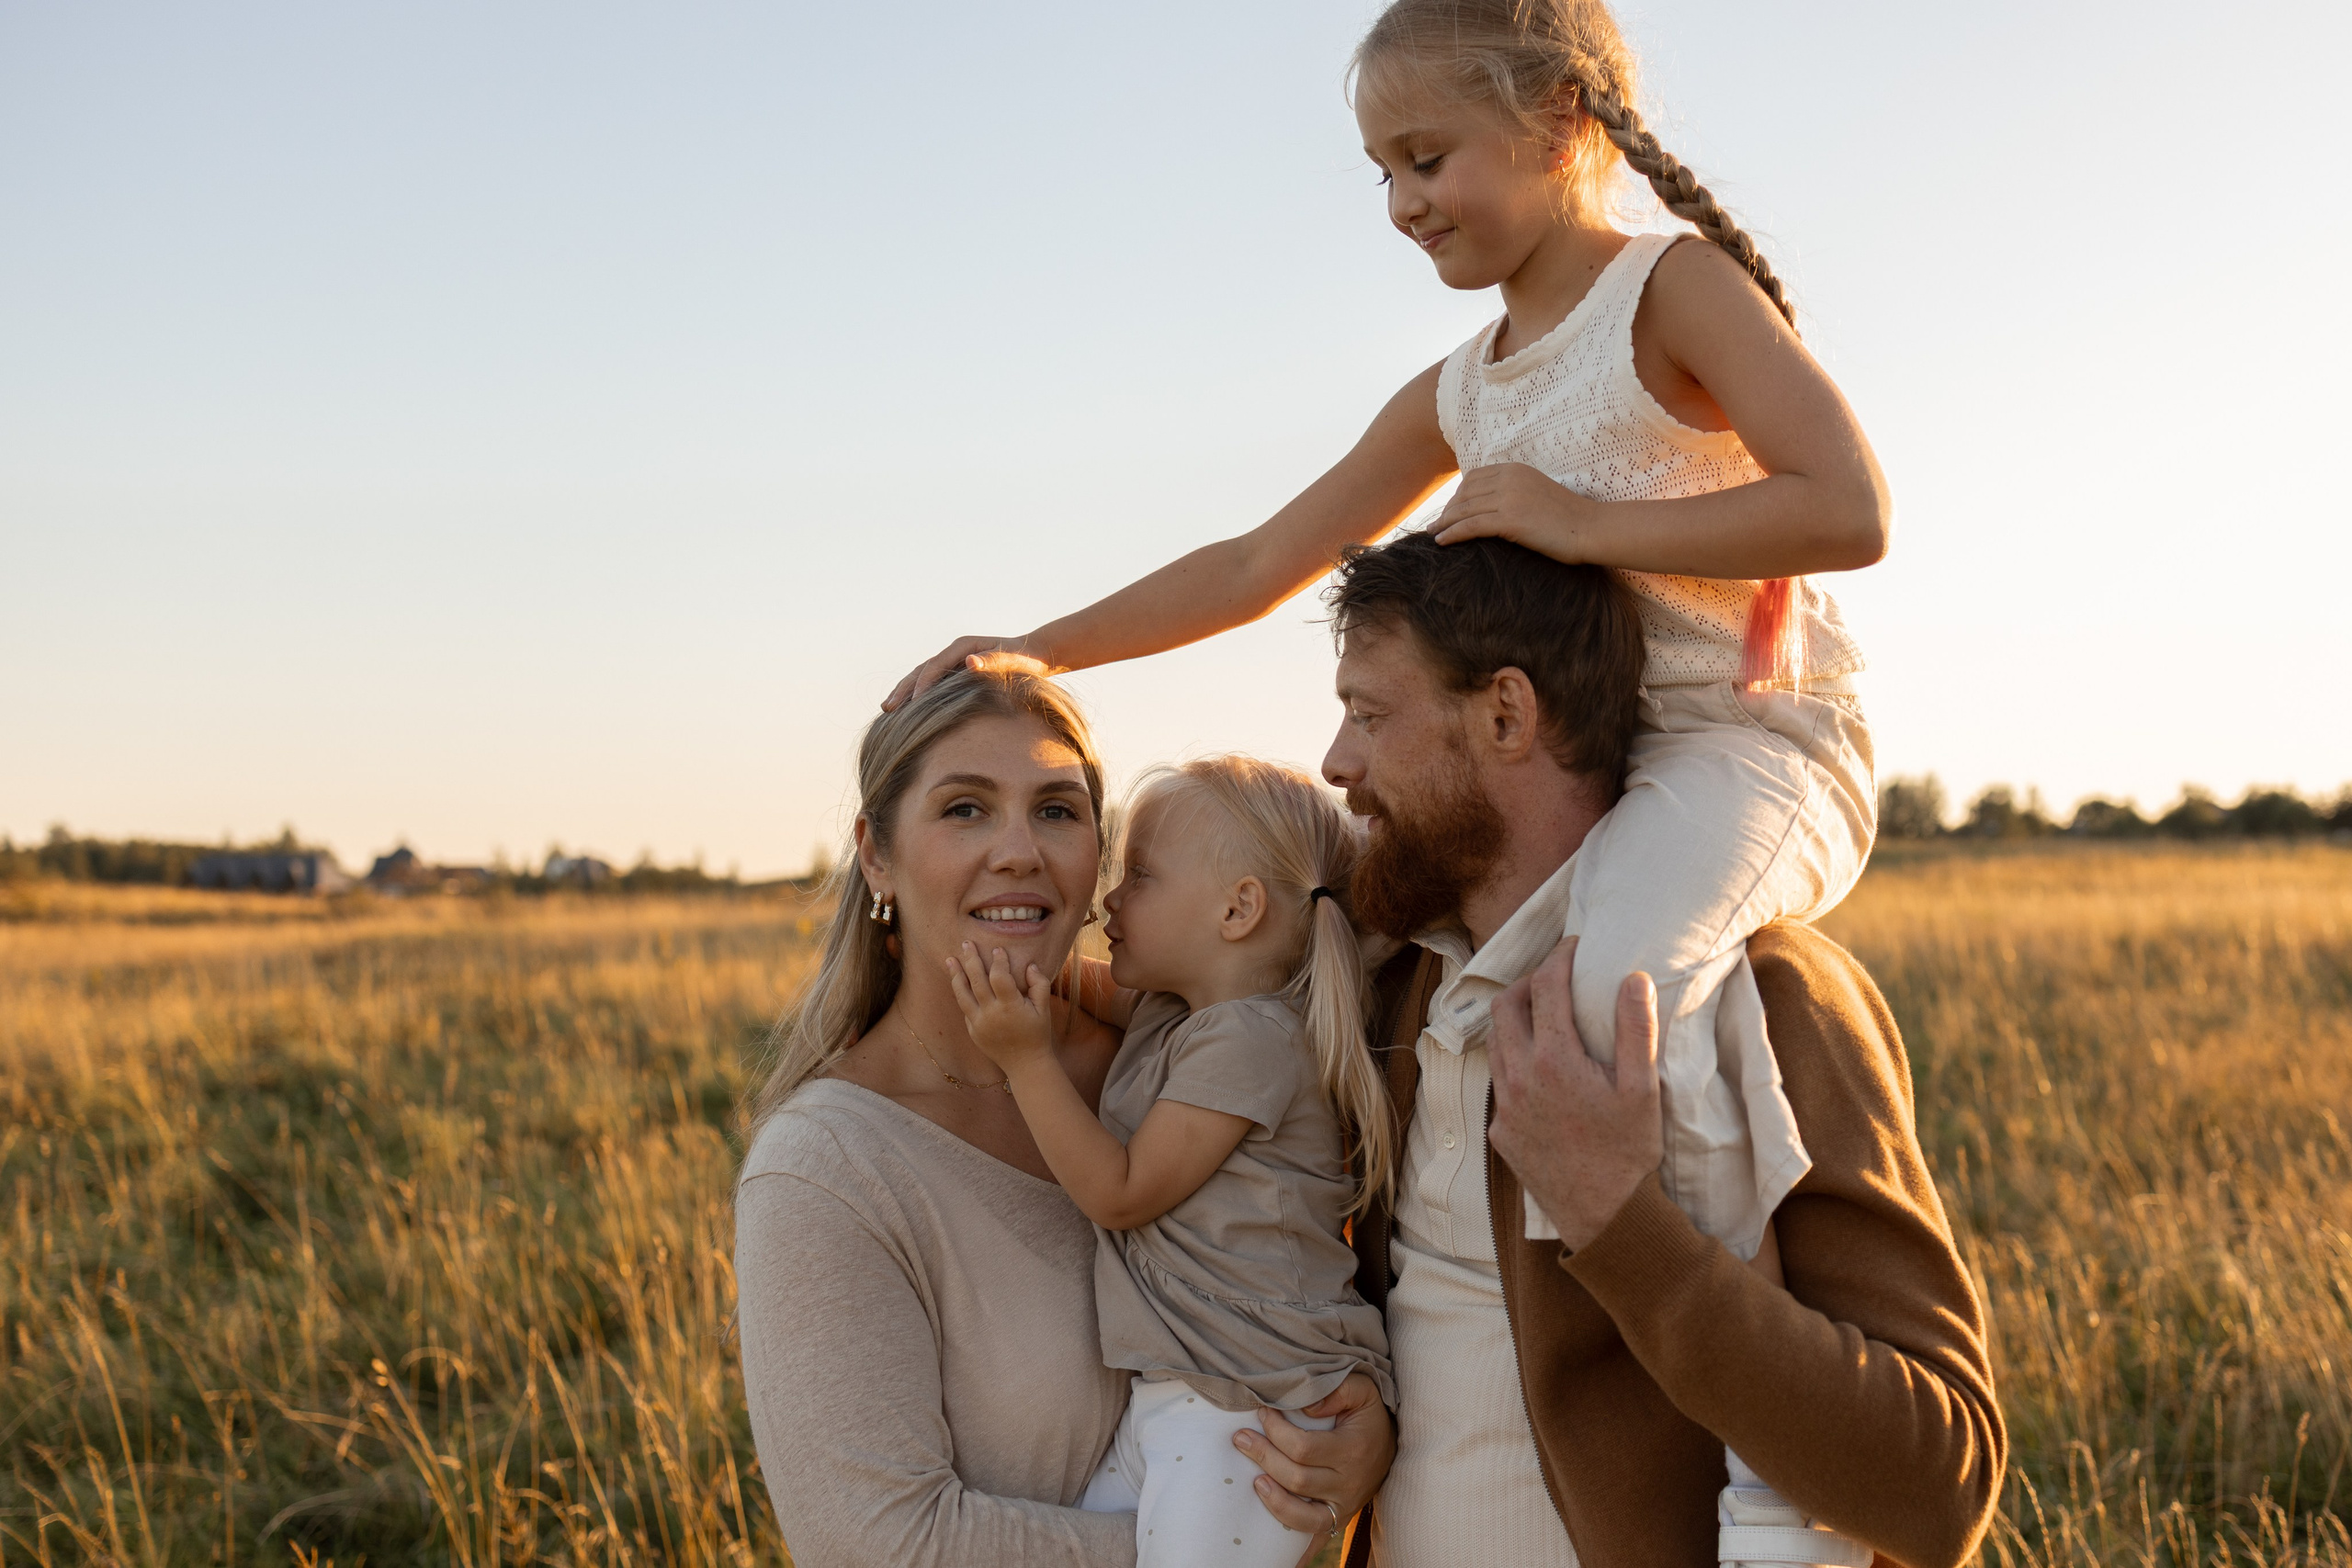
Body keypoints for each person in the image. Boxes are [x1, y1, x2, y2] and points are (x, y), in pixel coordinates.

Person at [886, 0, 1888, 1543]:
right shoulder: (1459, 390)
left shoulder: (1672, 292)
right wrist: (1040, 648)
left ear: (1563, 121)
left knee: (1621, 972)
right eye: (1382, 173)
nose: (1405, 201)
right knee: (1349, 956)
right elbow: (1260, 560)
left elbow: (1848, 505)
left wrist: (1580, 523)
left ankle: (1771, 1460)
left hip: (1747, 742)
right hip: (1566, 766)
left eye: (1428, 156)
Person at [1298, 529, 2003, 1566]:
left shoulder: (1771, 998)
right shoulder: (1398, 993)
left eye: (1368, 714)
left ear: (1505, 715)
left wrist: (1615, 1220)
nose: (1336, 761)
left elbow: (1938, 1486)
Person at [733, 660, 1395, 1567]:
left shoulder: (1165, 1052)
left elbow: (1299, 1266)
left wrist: (1361, 1437)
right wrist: (1218, 1539)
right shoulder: (826, 1169)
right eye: (965, 808)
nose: (1020, 851)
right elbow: (878, 1545)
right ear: (877, 855)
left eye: (1056, 809)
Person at [947, 755, 1396, 1568]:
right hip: (1185, 1397)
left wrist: (1024, 1058)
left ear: (1238, 908)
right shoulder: (1173, 1008)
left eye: (1142, 875)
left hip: (1253, 1414)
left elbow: (1120, 1191)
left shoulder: (1253, 1039)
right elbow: (1055, 979)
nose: (1110, 899)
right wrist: (976, 938)